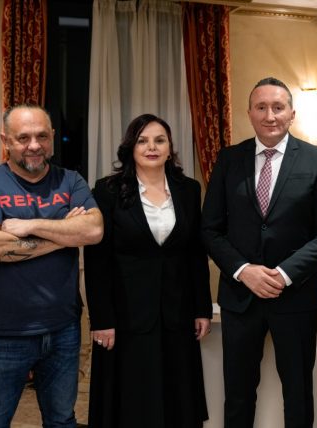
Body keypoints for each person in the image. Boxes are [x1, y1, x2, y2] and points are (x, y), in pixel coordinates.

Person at [201, 77, 317, 428]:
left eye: (278, 107)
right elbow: (210, 229)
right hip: (240, 297)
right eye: (261, 107)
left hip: (295, 297)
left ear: (292, 113)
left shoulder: (316, 159)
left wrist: (284, 273)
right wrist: (243, 270)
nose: (270, 115)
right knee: (237, 393)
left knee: (298, 393)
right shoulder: (228, 159)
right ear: (249, 113)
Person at [0, 104, 103, 427]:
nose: (34, 145)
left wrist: (29, 226)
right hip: (2, 332)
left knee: (62, 421)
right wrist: (64, 235)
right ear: (6, 141)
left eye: (41, 136)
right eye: (23, 138)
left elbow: (93, 230)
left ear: (52, 137)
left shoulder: (71, 181)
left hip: (63, 328)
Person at [84, 114, 212, 427]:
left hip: (177, 311)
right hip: (125, 316)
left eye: (159, 140)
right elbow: (97, 261)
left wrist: (202, 308)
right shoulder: (107, 190)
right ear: (131, 147)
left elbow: (195, 254)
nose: (151, 147)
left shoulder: (188, 190)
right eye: (142, 141)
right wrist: (101, 320)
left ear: (170, 148)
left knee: (176, 397)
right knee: (132, 399)